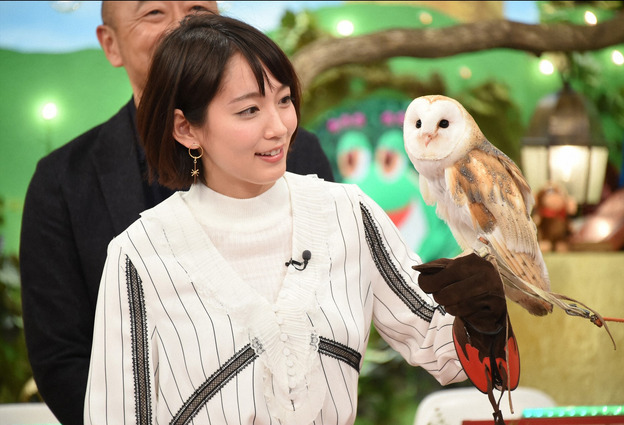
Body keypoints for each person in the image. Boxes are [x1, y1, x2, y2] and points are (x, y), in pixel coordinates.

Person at [84, 12, 511, 424]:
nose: (279, 127)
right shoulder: (140, 255)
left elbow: (444, 350)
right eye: (249, 110)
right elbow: (117, 415)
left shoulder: (347, 213)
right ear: (186, 129)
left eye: (284, 100)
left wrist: (481, 316)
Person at [19, 3, 333, 425]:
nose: (184, 25)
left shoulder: (297, 152)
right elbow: (62, 356)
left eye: (199, 7)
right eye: (153, 12)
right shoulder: (62, 181)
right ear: (111, 45)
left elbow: (329, 308)